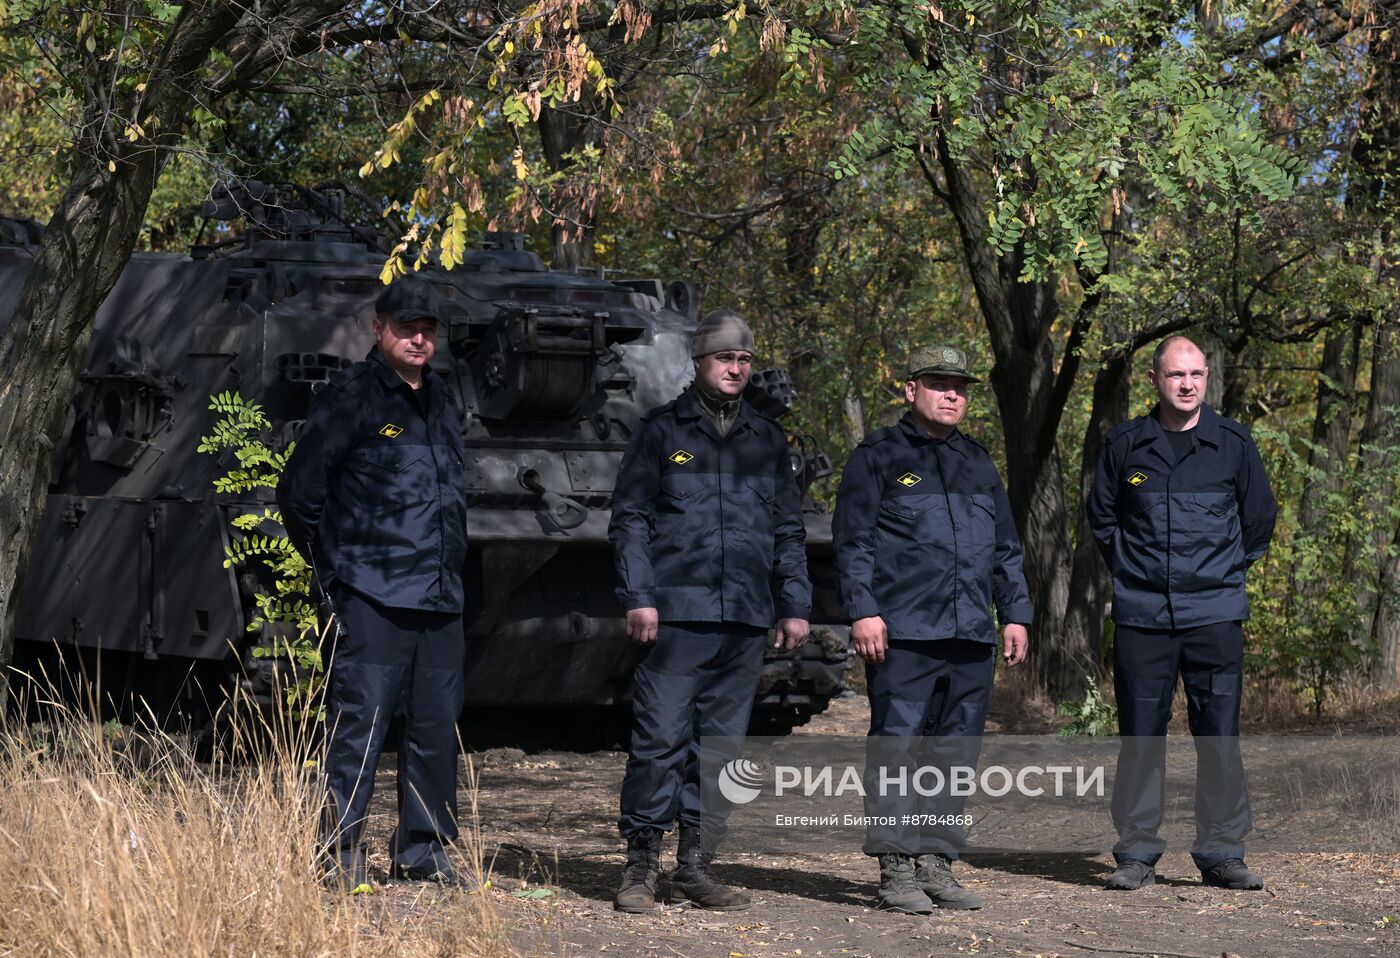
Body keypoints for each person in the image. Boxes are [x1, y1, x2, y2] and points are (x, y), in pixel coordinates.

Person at [608, 308, 811, 913]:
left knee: (721, 749)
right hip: (675, 617)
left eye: (745, 360)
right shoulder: (662, 432)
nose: (736, 368)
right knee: (660, 741)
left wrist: (794, 603)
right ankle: (640, 865)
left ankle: (695, 865)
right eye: (725, 358)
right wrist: (639, 595)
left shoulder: (768, 440)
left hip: (745, 617)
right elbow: (631, 521)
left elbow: (787, 528)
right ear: (699, 362)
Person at [277, 275, 469, 887]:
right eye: (407, 327)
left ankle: (424, 852)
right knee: (360, 726)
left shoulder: (443, 400)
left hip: (439, 594)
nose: (418, 339)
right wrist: (333, 570)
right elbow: (300, 492)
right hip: (372, 593)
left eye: (428, 330)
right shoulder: (352, 397)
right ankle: (337, 855)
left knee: (436, 731)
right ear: (378, 328)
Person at [833, 345, 1032, 914]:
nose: (952, 394)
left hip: (970, 632)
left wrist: (1014, 613)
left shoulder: (978, 462)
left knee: (955, 753)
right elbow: (854, 542)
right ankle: (895, 868)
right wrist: (863, 610)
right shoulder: (877, 457)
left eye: (961, 387)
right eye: (940, 384)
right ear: (911, 390)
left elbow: (1004, 549)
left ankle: (937, 863)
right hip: (903, 634)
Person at [1086, 335, 1276, 892]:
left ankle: (1221, 854)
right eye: (1175, 375)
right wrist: (1131, 570)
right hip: (1142, 616)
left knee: (1218, 734)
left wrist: (1224, 577)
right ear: (1155, 381)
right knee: (1141, 735)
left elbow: (1259, 519)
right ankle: (1137, 854)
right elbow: (1103, 520)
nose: (1187, 383)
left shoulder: (1234, 445)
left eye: (1196, 374)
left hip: (1215, 615)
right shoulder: (1125, 447)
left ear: (1207, 378)